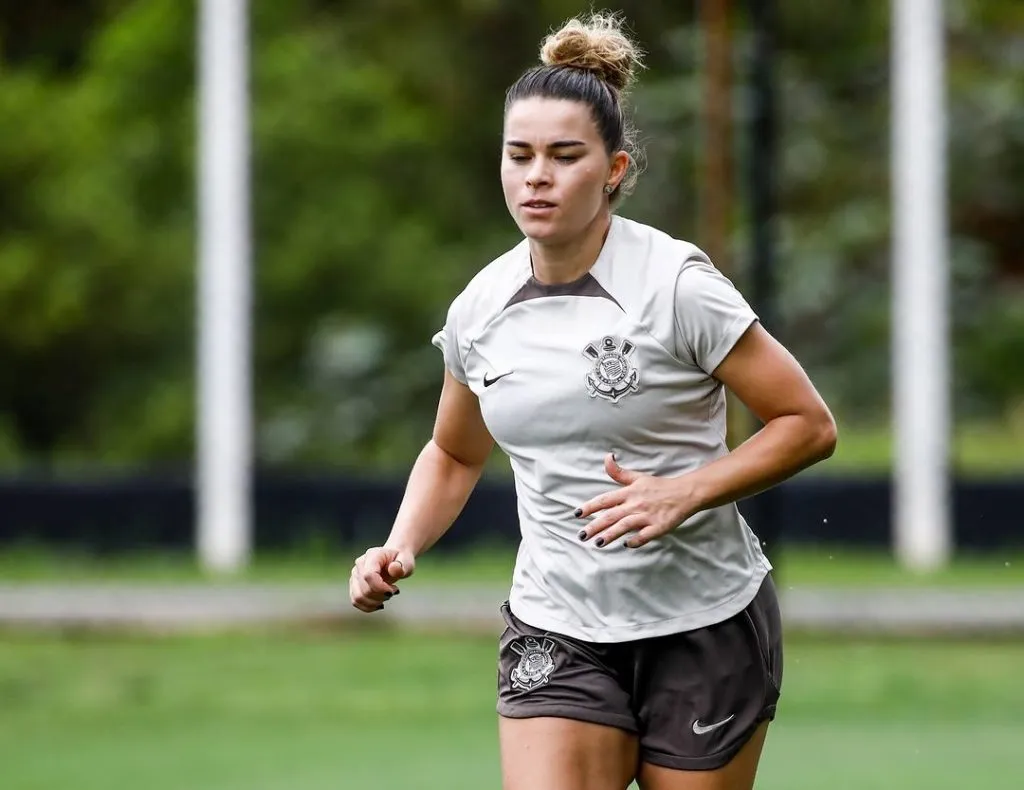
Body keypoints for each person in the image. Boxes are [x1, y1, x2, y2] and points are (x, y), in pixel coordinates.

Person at [349, 11, 837, 790]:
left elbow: (808, 425)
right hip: (558, 625)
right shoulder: (480, 308)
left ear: (613, 169)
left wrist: (684, 492)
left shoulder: (677, 285)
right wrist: (398, 546)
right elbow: (453, 451)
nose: (537, 175)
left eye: (563, 156)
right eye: (520, 156)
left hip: (703, 623)